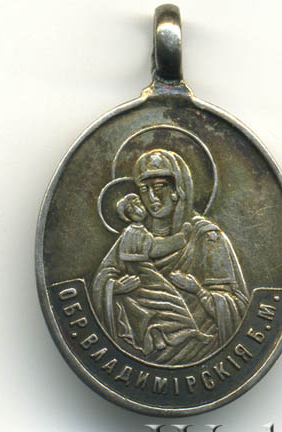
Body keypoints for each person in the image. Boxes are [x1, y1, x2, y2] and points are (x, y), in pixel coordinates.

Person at [93, 149, 249, 365]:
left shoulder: (207, 238)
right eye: (144, 189)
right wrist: (116, 288)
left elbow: (235, 306)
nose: (152, 198)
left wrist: (197, 291)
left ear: (178, 190)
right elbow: (102, 281)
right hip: (143, 350)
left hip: (199, 353)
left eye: (159, 188)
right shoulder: (131, 237)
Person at [110, 193, 212, 358]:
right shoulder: (132, 232)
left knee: (160, 306)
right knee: (172, 300)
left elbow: (153, 245)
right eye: (131, 208)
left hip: (145, 273)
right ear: (128, 216)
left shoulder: (139, 231)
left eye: (138, 204)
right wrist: (181, 238)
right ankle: (190, 332)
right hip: (144, 274)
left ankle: (160, 337)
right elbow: (155, 249)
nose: (138, 208)